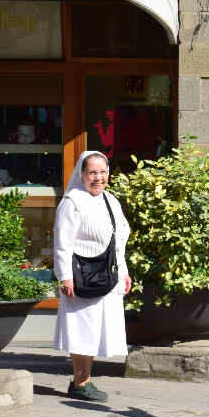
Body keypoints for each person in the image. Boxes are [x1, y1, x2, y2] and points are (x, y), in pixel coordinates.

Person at [53, 150, 132, 402]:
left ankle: (82, 380)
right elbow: (62, 242)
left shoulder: (110, 200)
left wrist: (124, 272)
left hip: (106, 275)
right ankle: (81, 382)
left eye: (103, 172)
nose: (98, 178)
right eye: (92, 172)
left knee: (95, 329)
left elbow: (118, 240)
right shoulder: (72, 201)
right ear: (82, 174)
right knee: (82, 329)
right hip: (81, 276)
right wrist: (65, 276)